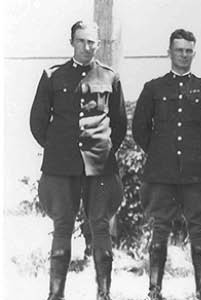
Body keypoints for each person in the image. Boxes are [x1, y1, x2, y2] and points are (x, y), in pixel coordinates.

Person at [30, 20, 127, 300]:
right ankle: (55, 294)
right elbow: (38, 122)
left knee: (100, 226)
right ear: (72, 42)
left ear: (98, 44)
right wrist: (59, 150)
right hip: (62, 167)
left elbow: (118, 125)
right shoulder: (53, 76)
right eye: (81, 41)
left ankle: (104, 293)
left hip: (100, 167)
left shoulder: (110, 77)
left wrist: (102, 150)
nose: (87, 47)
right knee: (62, 226)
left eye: (92, 42)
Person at [133, 29, 201, 300]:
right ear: (169, 52)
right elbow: (139, 128)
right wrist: (161, 154)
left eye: (188, 50)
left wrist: (198, 156)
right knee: (160, 229)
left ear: (193, 53)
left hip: (196, 175)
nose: (183, 55)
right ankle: (154, 289)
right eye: (179, 50)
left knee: (198, 230)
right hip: (162, 173)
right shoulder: (154, 88)